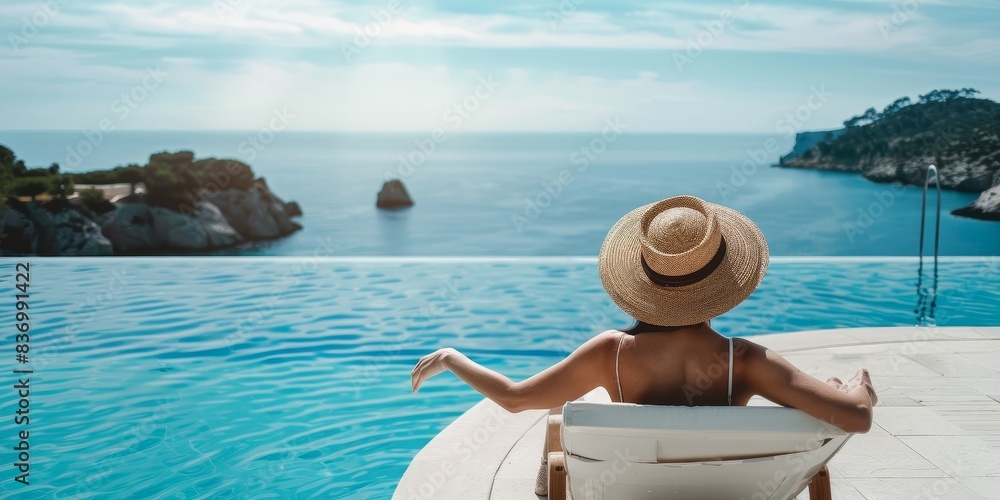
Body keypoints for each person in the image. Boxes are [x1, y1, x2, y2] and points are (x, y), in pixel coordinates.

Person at [411, 195, 877, 495]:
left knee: (557, 415)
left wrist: (454, 358)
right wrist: (857, 388)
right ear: (721, 283)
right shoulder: (747, 360)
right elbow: (856, 417)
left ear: (643, 281)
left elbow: (515, 399)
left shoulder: (607, 353)